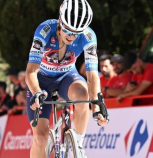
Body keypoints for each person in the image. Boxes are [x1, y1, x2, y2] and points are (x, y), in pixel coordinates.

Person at [25, 0, 108, 157]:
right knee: (40, 138)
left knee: (83, 95)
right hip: (41, 81)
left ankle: (78, 144)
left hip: (67, 77)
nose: (72, 36)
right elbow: (31, 71)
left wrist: (97, 106)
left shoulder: (89, 36)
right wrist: (36, 92)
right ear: (60, 21)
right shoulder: (44, 31)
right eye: (69, 31)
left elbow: (92, 76)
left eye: (77, 33)